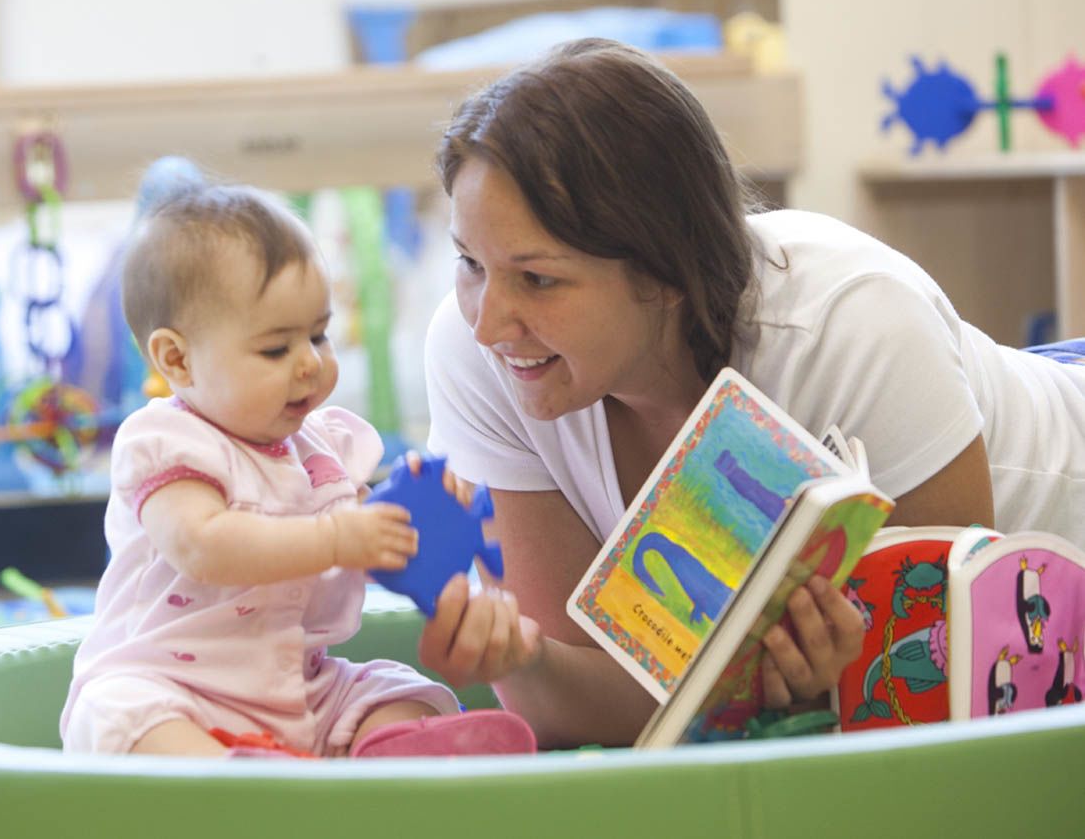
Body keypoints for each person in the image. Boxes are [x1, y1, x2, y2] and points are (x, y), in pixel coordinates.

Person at [416, 38, 1085, 750]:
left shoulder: (851, 324)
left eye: (538, 279)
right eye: (467, 263)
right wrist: (519, 657)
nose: (487, 321)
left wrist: (804, 693)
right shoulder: (474, 352)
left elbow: (944, 695)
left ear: (665, 271)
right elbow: (593, 705)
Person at [60, 183, 534, 758]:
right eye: (275, 350)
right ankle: (240, 787)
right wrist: (337, 537)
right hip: (176, 689)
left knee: (397, 688)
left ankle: (387, 755)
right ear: (178, 360)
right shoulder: (166, 442)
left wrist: (411, 520)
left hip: (300, 688)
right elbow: (202, 545)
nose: (310, 362)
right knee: (116, 716)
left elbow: (360, 556)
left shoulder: (324, 448)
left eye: (317, 334)